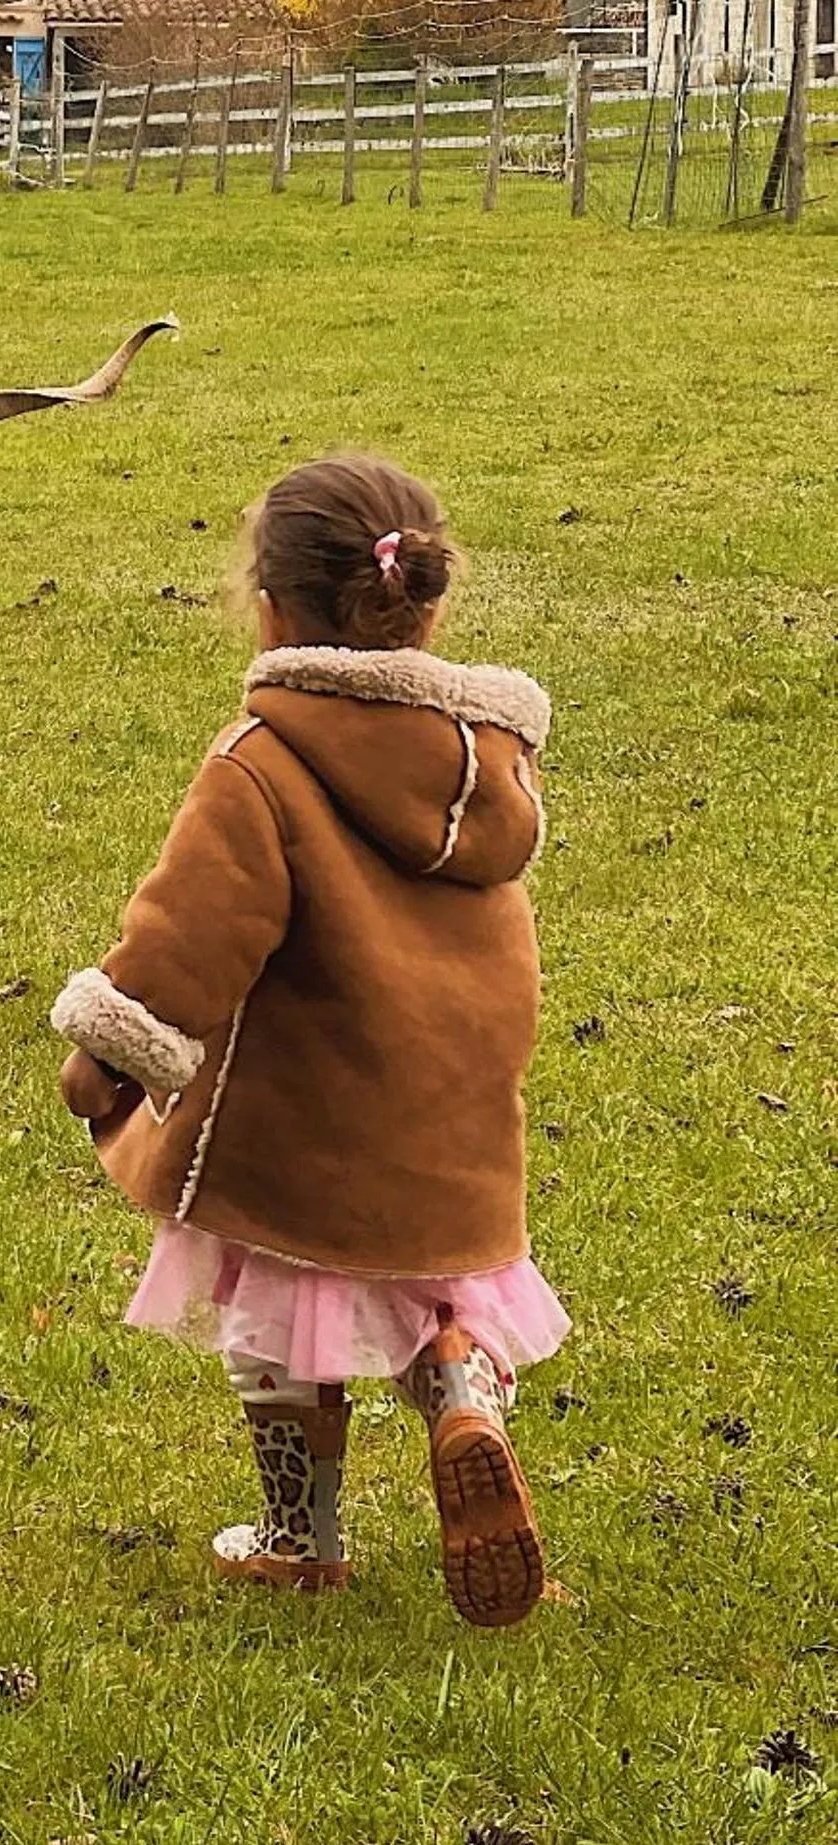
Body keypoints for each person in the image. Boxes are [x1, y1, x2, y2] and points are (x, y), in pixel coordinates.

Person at [52, 454, 566, 1629]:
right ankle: (456, 1383)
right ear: (425, 604)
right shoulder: (482, 768)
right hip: (454, 1114)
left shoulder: (261, 762)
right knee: (434, 1287)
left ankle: (301, 1532)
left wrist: (110, 1051)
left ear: (273, 605)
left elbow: (189, 936)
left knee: (274, 1311)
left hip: (303, 1117)